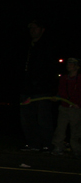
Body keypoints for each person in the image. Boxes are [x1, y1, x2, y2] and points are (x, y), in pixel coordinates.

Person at [19, 20, 57, 152]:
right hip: (26, 89)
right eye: (31, 28)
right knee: (27, 118)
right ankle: (32, 143)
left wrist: (51, 89)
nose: (32, 30)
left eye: (35, 28)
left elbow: (50, 68)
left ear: (42, 29)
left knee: (43, 118)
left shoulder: (47, 46)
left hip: (42, 89)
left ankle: (47, 144)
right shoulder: (27, 46)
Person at [51, 57, 80, 156]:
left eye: (72, 63)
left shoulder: (79, 79)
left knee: (76, 130)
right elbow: (60, 91)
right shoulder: (64, 78)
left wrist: (78, 104)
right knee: (60, 129)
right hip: (64, 107)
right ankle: (58, 147)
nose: (69, 65)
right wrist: (57, 97)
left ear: (77, 66)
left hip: (76, 109)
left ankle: (77, 149)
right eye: (68, 63)